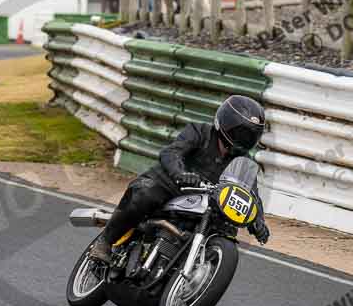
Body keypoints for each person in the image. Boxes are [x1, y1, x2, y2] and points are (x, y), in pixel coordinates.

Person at [89, 95, 270, 263]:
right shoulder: (199, 131)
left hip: (209, 203)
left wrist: (258, 220)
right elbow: (172, 152)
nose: (244, 140)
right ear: (225, 123)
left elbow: (250, 193)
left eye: (250, 136)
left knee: (227, 230)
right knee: (145, 193)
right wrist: (181, 174)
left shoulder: (244, 161)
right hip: (172, 185)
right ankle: (105, 241)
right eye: (241, 133)